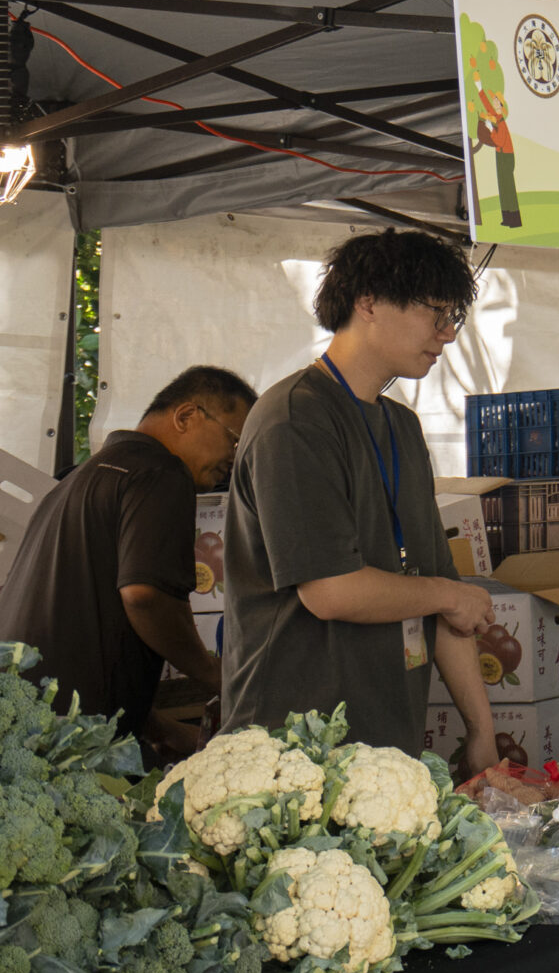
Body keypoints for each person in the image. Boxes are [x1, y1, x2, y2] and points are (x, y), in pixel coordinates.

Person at [222, 230, 498, 762]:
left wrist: (481, 732)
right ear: (367, 302)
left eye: (453, 319)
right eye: (435, 313)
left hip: (385, 744)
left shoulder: (402, 426)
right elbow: (330, 592)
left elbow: (440, 589)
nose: (446, 335)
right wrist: (446, 595)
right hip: (292, 746)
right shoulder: (296, 417)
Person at [0, 366, 255, 757]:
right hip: (66, 742)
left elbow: (85, 620)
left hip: (22, 715)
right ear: (186, 416)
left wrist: (151, 723)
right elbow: (145, 597)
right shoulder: (162, 472)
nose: (234, 460)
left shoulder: (77, 480)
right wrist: (215, 674)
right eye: (234, 440)